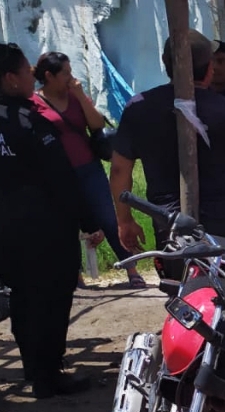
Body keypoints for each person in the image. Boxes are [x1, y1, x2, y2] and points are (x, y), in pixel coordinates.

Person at [0, 42, 96, 399]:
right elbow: (61, 177)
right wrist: (87, 219)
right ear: (10, 78)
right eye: (27, 71)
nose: (32, 77)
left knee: (25, 295)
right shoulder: (26, 120)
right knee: (53, 296)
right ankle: (48, 376)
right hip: (39, 220)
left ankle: (34, 366)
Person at [111, 29, 225, 255]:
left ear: (166, 65)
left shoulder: (139, 109)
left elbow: (119, 170)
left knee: (182, 286)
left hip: (170, 224)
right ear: (209, 70)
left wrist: (124, 220)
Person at [32, 52, 146, 289]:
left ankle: (132, 269)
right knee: (66, 224)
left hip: (88, 168)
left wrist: (81, 95)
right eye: (65, 73)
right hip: (58, 174)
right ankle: (75, 278)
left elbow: (96, 124)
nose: (70, 77)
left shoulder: (74, 98)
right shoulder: (34, 103)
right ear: (49, 77)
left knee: (108, 218)